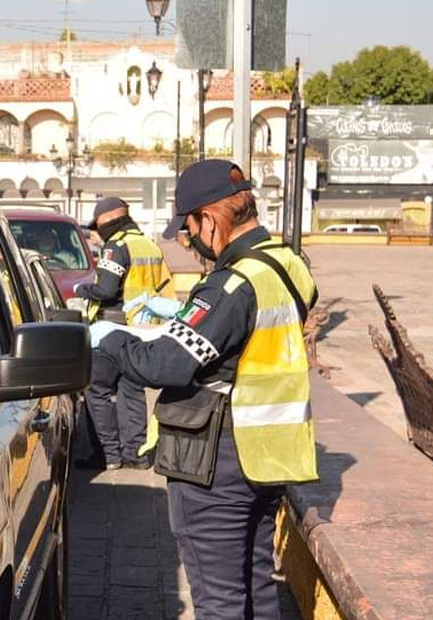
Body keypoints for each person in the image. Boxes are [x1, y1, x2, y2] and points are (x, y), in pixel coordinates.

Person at [91, 160, 319, 620]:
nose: (189, 241)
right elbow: (237, 346)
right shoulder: (288, 265)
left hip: (218, 462)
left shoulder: (230, 284)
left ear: (211, 219)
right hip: (269, 455)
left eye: (190, 228)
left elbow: (167, 364)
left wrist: (112, 340)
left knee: (219, 603)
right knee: (256, 587)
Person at [76, 196, 172, 470]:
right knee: (132, 391)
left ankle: (108, 455)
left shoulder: (116, 247)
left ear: (107, 222)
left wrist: (83, 290)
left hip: (112, 330)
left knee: (97, 390)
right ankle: (137, 454)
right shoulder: (150, 245)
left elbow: (106, 290)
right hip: (144, 331)